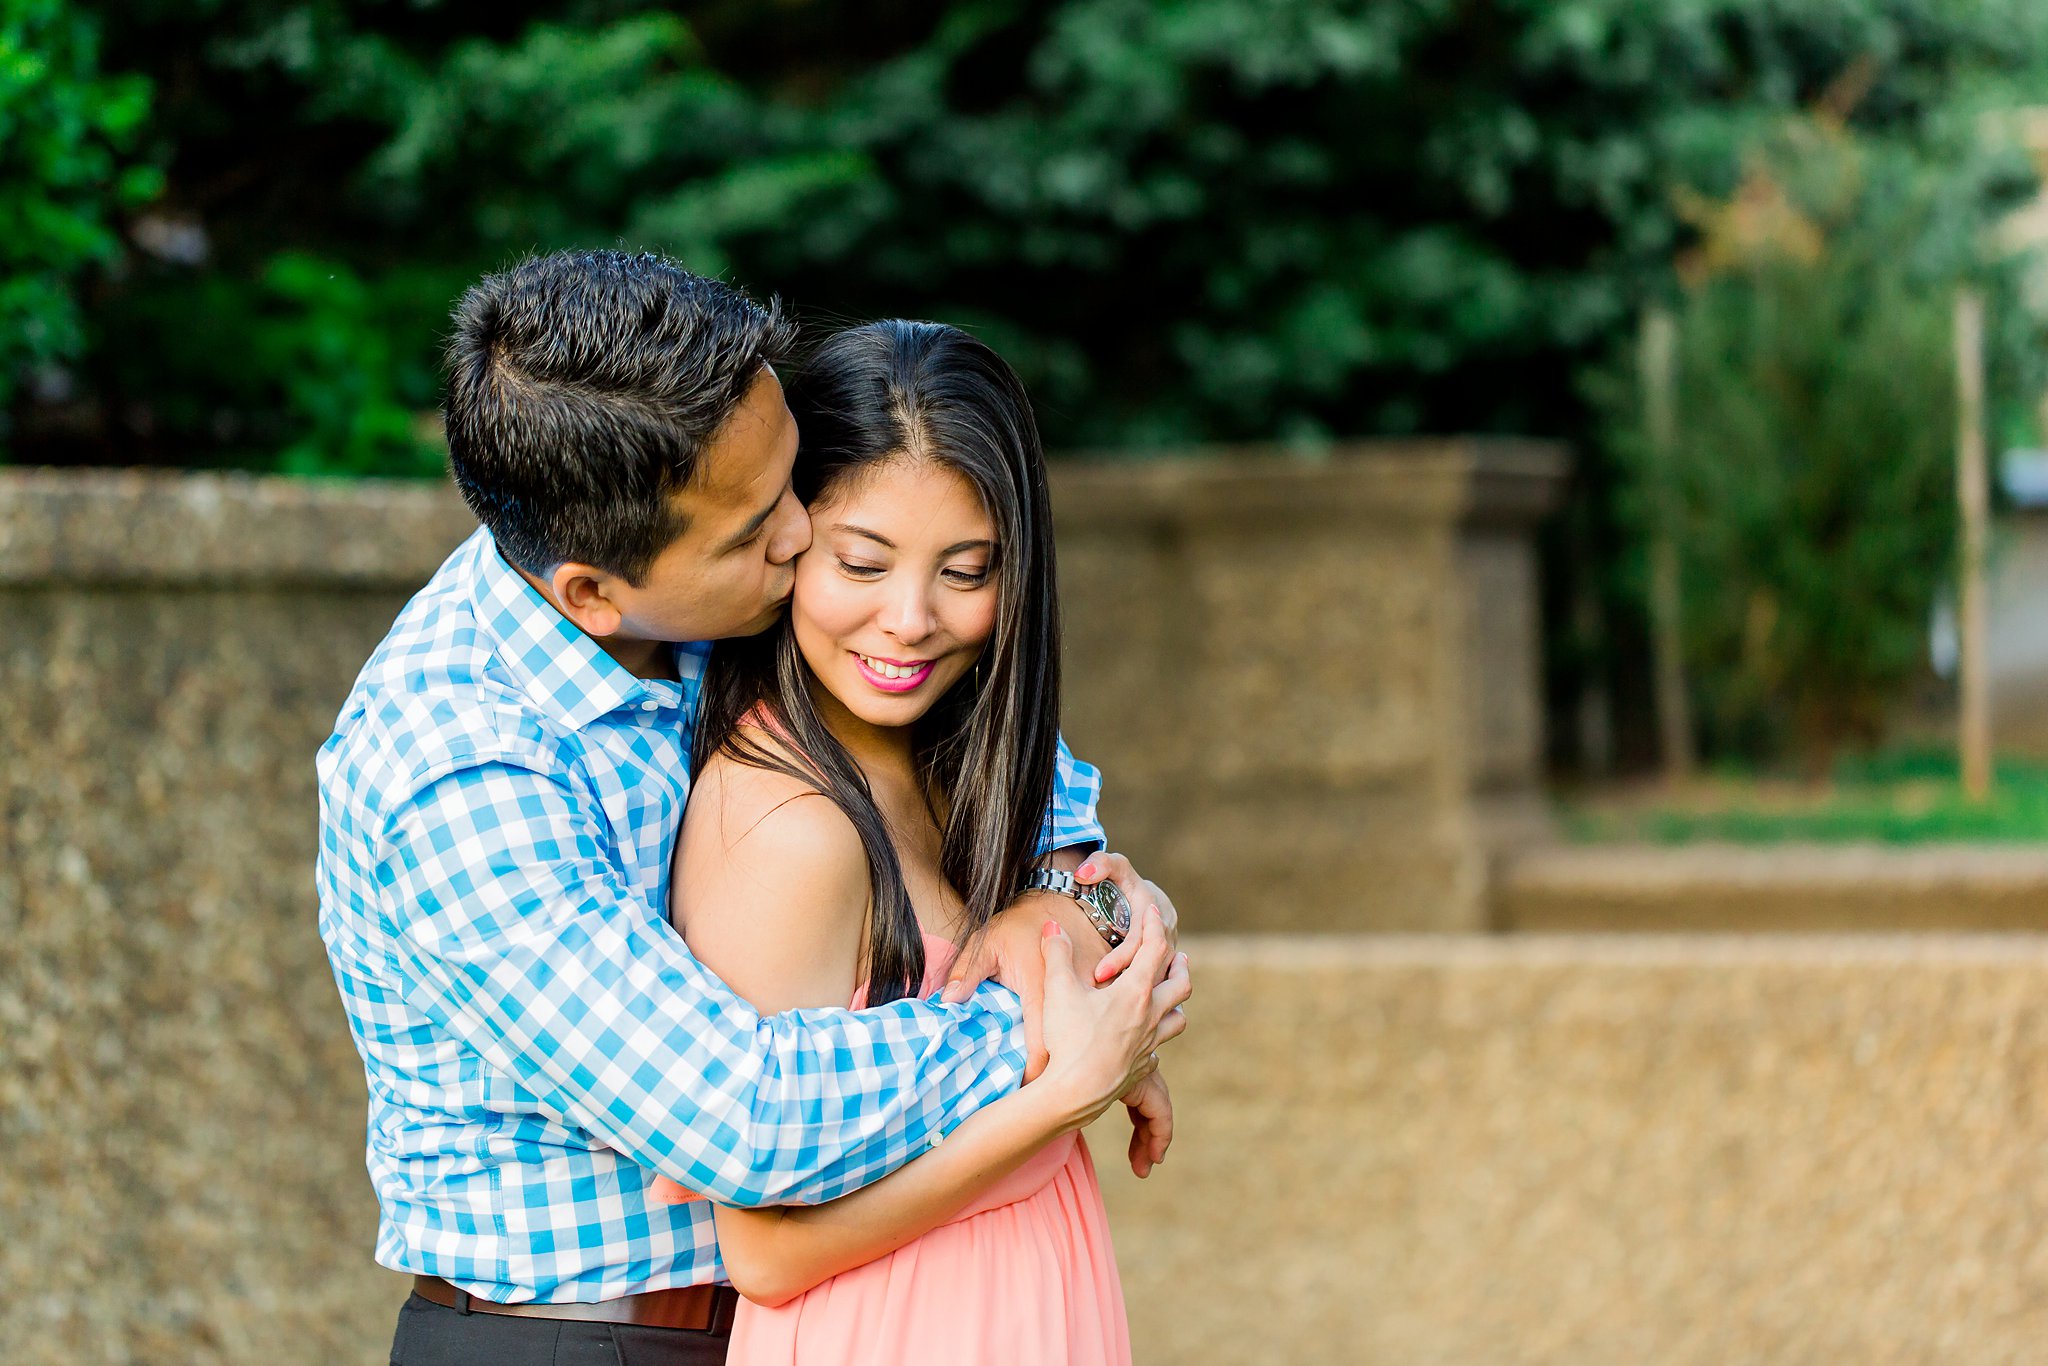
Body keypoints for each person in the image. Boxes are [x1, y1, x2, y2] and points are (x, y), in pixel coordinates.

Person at [314, 250, 1184, 1366]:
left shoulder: (685, 579)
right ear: (589, 590)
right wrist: (1060, 1029)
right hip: (576, 1343)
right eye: (759, 525)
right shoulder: (458, 771)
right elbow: (744, 1117)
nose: (797, 534)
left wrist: (1065, 899)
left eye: (790, 482)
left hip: (794, 1316)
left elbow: (996, 754)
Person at [656, 319, 1178, 1364]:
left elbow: (1098, 890)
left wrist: (1082, 912)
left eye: (965, 570)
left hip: (1037, 1300)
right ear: (787, 539)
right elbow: (763, 1252)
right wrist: (1064, 1093)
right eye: (862, 561)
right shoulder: (784, 827)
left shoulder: (953, 762)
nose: (908, 618)